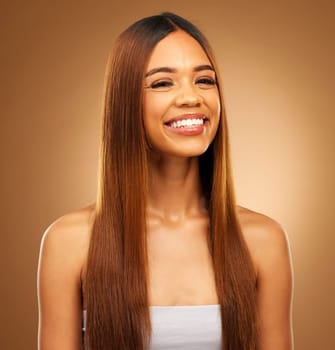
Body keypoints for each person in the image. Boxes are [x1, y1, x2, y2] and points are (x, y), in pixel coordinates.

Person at [37, 12, 293, 350]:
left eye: (204, 80)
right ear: (125, 102)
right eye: (162, 83)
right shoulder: (69, 243)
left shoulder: (263, 241)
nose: (191, 97)